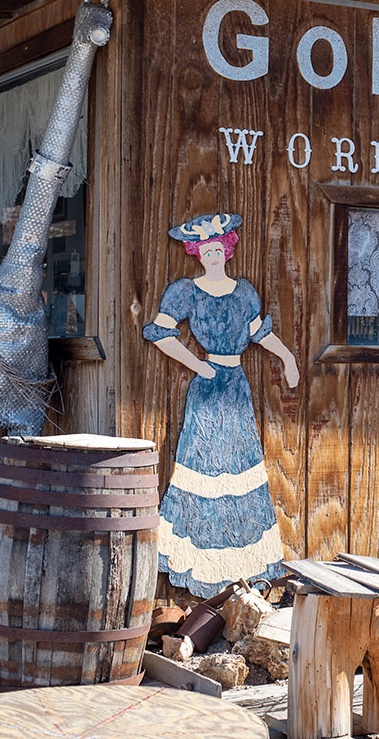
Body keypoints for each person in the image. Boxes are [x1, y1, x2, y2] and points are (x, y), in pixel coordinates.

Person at [143, 212, 299, 597]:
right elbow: (161, 333)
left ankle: (241, 565)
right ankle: (200, 561)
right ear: (196, 253)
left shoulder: (244, 292)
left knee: (239, 468)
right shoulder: (185, 291)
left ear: (227, 251)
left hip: (236, 387)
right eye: (205, 250)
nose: (212, 255)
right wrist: (198, 364)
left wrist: (288, 358)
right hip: (208, 386)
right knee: (204, 467)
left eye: (218, 249)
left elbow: (260, 334)